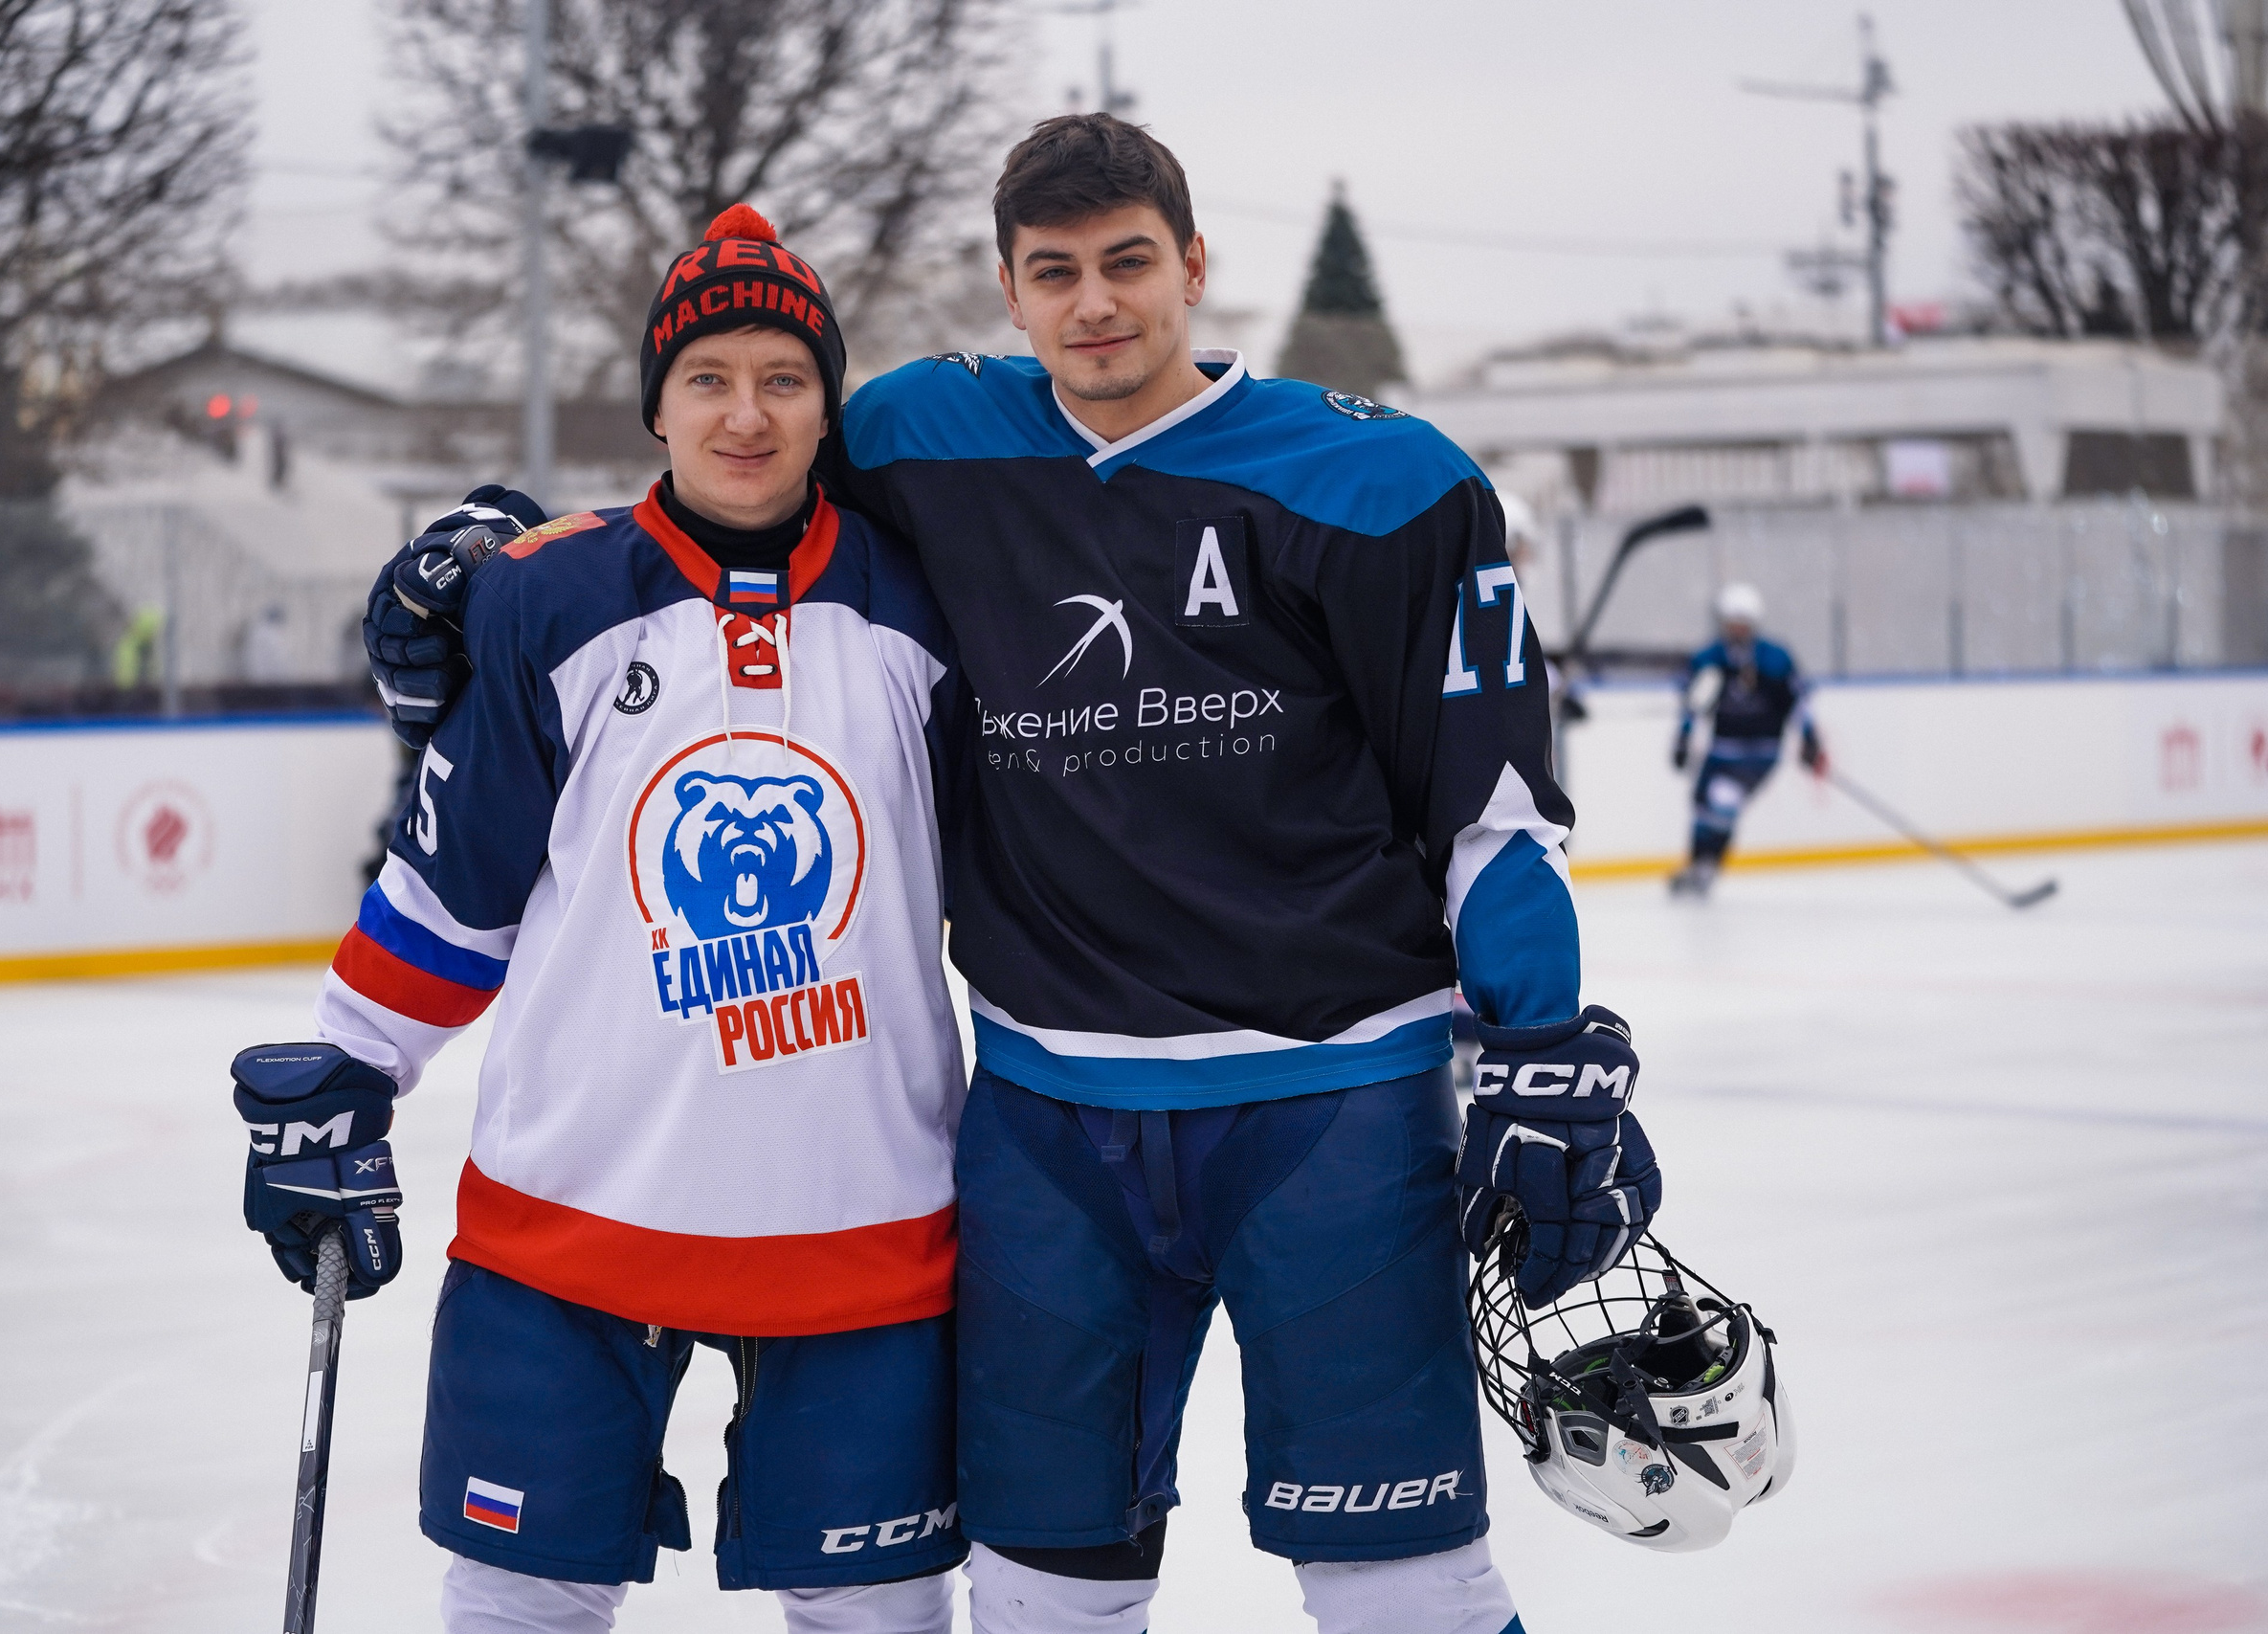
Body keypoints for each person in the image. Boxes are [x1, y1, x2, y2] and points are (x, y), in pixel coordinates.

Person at [374, 117, 1662, 1634]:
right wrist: (501, 553)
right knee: (1043, 1592)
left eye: (1129, 263)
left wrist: (1539, 1042)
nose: (1095, 304)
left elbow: (1490, 801)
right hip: (1053, 1125)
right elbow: (731, 453)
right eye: (1055, 273)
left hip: (1335, 1105)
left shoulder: (1379, 481)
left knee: (1404, 1584)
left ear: (1193, 263)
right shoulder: (930, 437)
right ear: (1009, 288)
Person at [233, 205, 970, 1634]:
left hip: (864, 1212)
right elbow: (462, 875)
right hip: (572, 1215)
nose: (745, 413)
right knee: (521, 1599)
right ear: (657, 403)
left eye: (783, 376)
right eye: (708, 378)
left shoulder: (924, 607)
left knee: (874, 1608)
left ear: (830, 403)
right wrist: (349, 1061)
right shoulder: (553, 598)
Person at [1668, 581, 1826, 898]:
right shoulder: (1708, 658)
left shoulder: (1776, 658)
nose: (1738, 629)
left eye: (1743, 623)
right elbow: (1693, 704)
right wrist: (1683, 738)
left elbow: (1798, 702)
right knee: (1702, 808)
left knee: (1724, 801)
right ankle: (1700, 865)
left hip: (1759, 752)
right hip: (1720, 750)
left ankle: (1709, 866)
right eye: (1732, 622)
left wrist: (1810, 739)